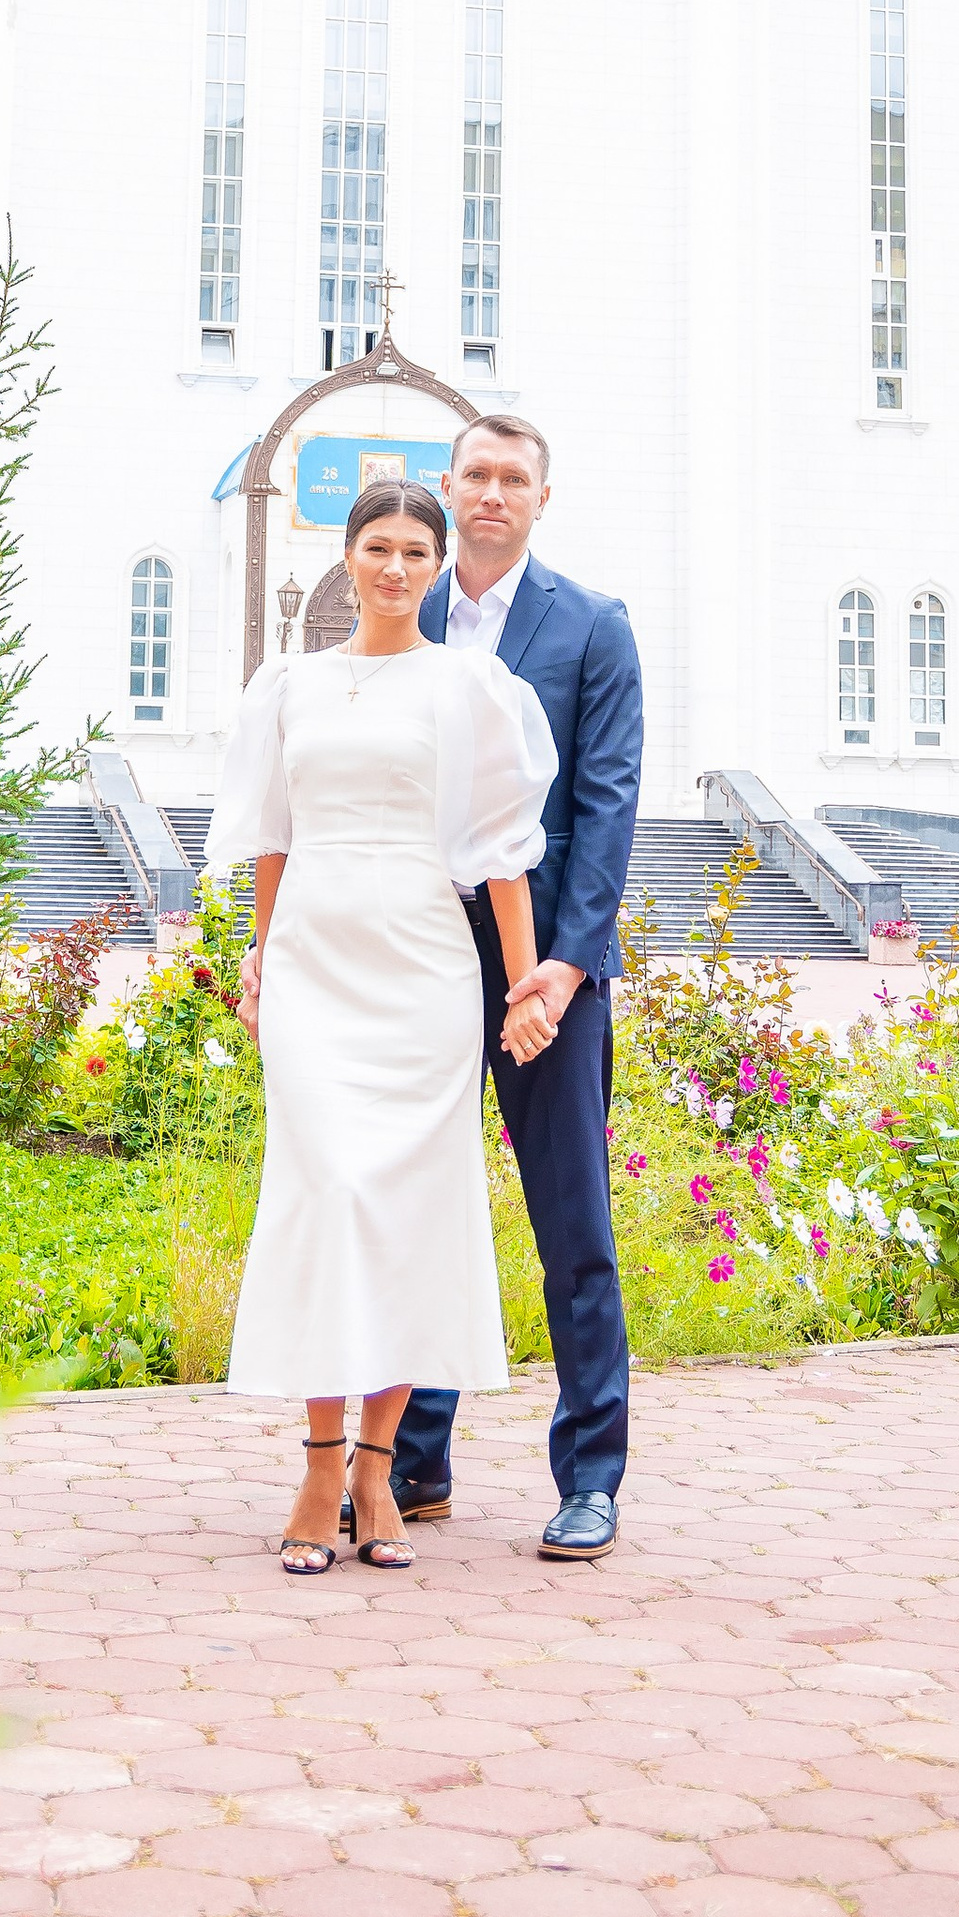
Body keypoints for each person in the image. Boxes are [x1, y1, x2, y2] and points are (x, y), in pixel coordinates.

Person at [209, 478, 558, 1575]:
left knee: (407, 1207)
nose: (396, 567)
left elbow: (501, 853)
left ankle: (376, 1464)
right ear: (347, 556)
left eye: (416, 550)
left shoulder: (470, 687)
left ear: (437, 563)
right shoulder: (289, 684)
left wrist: (521, 985)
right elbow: (271, 831)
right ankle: (317, 1468)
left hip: (421, 971)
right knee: (327, 1195)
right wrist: (261, 954)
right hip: (316, 963)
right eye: (378, 547)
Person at [390, 415, 643, 1560]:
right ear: (448, 490)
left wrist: (564, 964)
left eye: (513, 480)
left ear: (543, 496)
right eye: (475, 477)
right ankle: (415, 1460)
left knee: (571, 1227)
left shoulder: (590, 626)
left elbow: (607, 805)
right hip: (420, 964)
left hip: (549, 975)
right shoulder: (407, 609)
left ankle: (590, 1476)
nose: (491, 495)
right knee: (417, 1213)